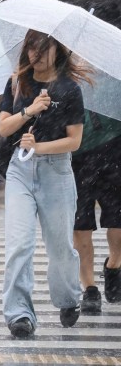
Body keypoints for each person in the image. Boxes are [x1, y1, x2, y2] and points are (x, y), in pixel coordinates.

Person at [0, 30, 88, 338]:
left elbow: (74, 141)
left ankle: (68, 298)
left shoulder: (69, 89)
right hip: (19, 171)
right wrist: (30, 110)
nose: (36, 53)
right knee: (19, 244)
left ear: (56, 51)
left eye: (43, 47)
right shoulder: (16, 83)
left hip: (56, 172)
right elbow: (4, 128)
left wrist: (39, 148)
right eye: (31, 47)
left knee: (60, 246)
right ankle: (19, 314)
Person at [71, 110, 121, 312]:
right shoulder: (64, 90)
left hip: (115, 148)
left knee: (118, 224)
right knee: (81, 227)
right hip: (76, 156)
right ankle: (90, 289)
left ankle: (113, 265)